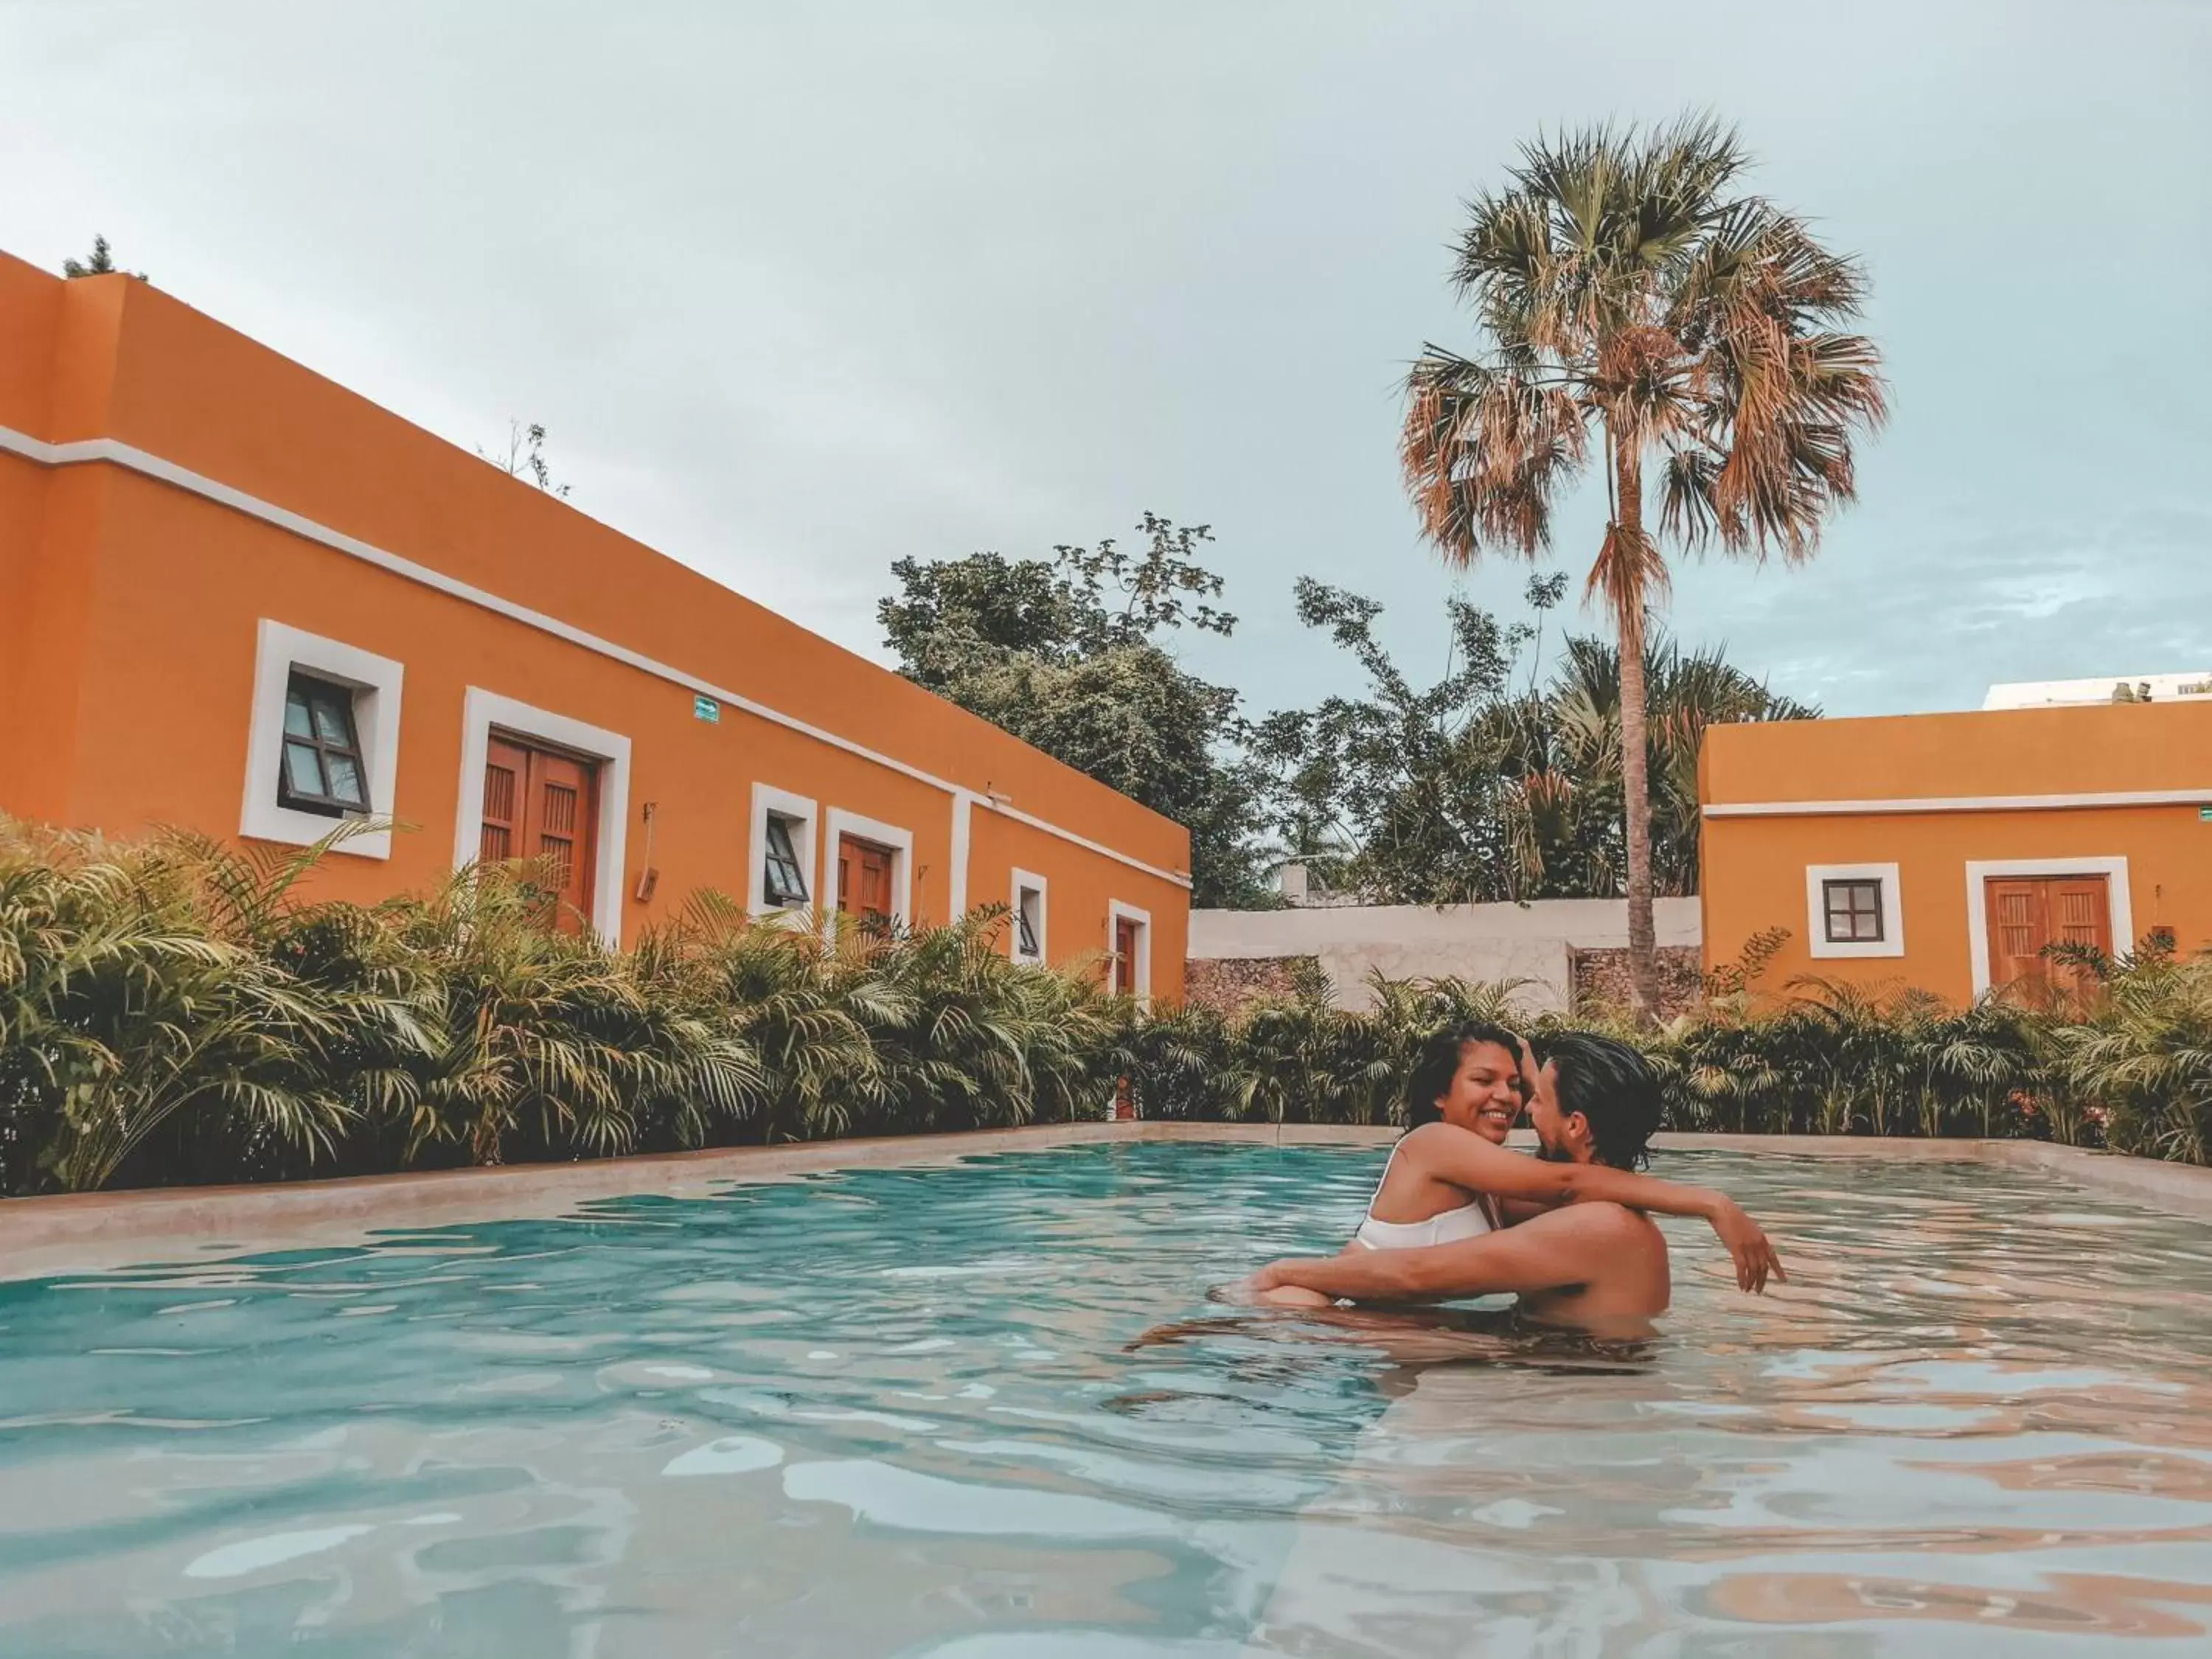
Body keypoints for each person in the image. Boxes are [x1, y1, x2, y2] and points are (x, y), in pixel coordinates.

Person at [1239, 1031, 1776, 1338]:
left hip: (1573, 1404)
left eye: (1533, 1097)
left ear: (1576, 1125)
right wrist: (1526, 1064)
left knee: (1285, 1304)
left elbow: (1420, 1275)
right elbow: (1558, 1178)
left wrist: (1286, 1267)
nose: (1520, 1106)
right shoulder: (1575, 1212)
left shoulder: (1601, 1225)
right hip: (1559, 1380)